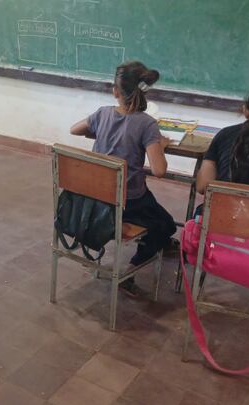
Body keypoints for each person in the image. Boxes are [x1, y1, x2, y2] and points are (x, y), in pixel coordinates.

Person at [70, 61, 176, 296]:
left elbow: (74, 129)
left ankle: (159, 245)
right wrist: (160, 145)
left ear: (115, 91)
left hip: (95, 200)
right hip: (130, 202)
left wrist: (99, 131)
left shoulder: (102, 113)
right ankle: (131, 270)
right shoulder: (147, 124)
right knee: (166, 225)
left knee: (156, 217)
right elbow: (159, 170)